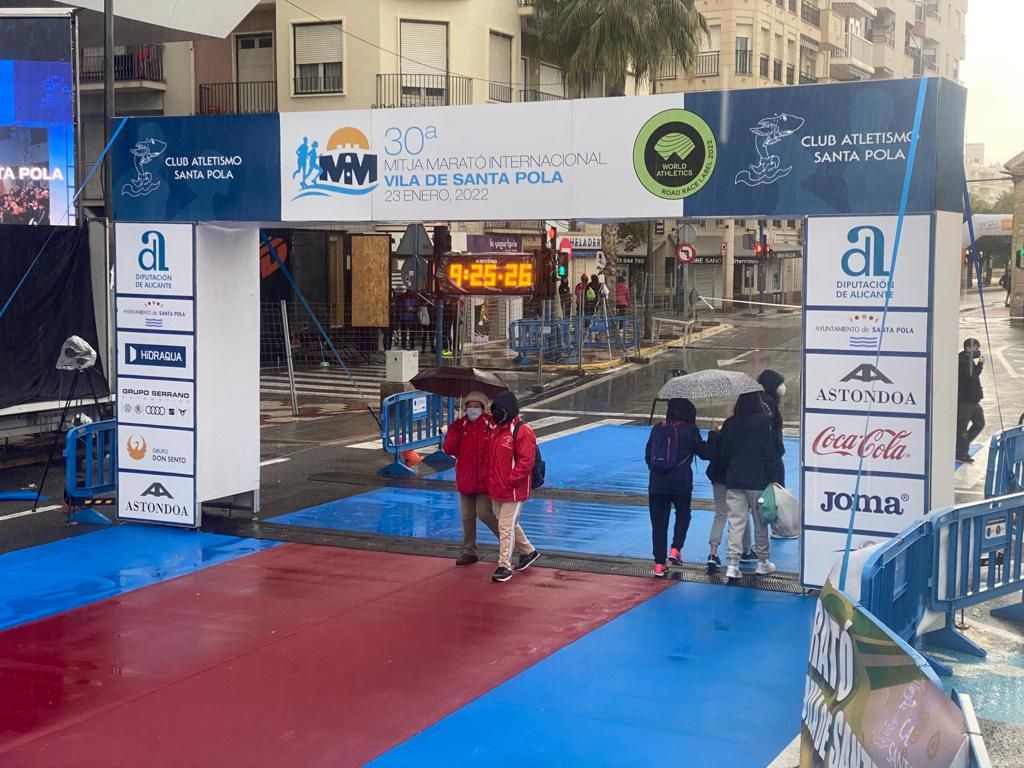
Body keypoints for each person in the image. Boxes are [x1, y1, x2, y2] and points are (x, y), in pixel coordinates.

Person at [645, 399, 711, 578]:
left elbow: (648, 456)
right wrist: (714, 435)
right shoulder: (690, 430)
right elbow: (705, 454)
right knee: (683, 514)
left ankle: (659, 564)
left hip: (657, 483)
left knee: (659, 524)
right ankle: (675, 549)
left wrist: (658, 471)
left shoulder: (658, 428)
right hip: (681, 482)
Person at [719, 391, 778, 580]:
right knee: (761, 522)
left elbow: (724, 453)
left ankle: (733, 563)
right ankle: (762, 562)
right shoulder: (763, 422)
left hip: (735, 481)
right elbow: (769, 453)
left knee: (736, 523)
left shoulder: (730, 423)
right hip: (758, 481)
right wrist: (773, 477)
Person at [486, 391, 541, 582]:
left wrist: (511, 480)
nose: (496, 415)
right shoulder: (496, 430)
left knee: (505, 526)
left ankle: (504, 565)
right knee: (509, 524)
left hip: (513, 489)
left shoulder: (522, 431)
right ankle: (528, 551)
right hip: (497, 487)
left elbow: (526, 461)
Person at [443, 391, 501, 566]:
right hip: (466, 477)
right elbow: (449, 449)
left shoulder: (491, 425)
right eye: (470, 406)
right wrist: (455, 429)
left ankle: (508, 540)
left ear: (483, 408)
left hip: (484, 479)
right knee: (467, 516)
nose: (473, 409)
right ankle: (469, 550)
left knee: (484, 514)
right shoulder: (461, 426)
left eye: (477, 406)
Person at [704, 424, 751, 574]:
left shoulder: (717, 440)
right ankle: (745, 550)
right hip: (734, 479)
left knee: (720, 514)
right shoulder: (739, 441)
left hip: (717, 478)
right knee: (741, 514)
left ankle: (713, 552)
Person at [756, 369, 787, 487]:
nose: (782, 387)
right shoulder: (768, 403)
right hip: (771, 457)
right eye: (780, 384)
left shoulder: (765, 400)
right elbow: (771, 431)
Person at [957, 338, 985, 463]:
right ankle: (960, 452)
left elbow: (973, 376)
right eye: (976, 348)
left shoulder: (969, 360)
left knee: (979, 423)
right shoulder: (962, 360)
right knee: (962, 427)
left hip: (974, 400)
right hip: (965, 401)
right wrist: (980, 365)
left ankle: (964, 444)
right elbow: (971, 376)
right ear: (968, 348)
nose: (978, 351)